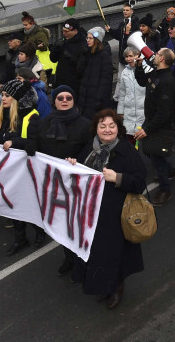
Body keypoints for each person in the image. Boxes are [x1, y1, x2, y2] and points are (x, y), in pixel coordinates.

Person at [65, 110, 147, 309]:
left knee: (114, 253)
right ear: (96, 129)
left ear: (118, 129)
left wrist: (117, 178)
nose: (107, 130)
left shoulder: (127, 151)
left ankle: (117, 287)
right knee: (97, 252)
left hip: (115, 214)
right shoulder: (89, 149)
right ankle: (102, 285)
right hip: (92, 212)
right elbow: (80, 175)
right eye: (103, 126)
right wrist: (73, 164)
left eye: (112, 126)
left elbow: (139, 181)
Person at [8, 85, 90, 271]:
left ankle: (81, 259)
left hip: (76, 183)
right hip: (53, 183)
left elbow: (90, 151)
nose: (64, 100)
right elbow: (33, 146)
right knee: (61, 224)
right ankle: (69, 257)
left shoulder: (85, 124)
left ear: (74, 100)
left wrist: (77, 161)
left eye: (68, 97)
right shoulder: (44, 123)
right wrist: (15, 142)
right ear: (54, 101)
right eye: (60, 97)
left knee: (76, 223)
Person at [0, 78, 43, 255]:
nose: (3, 99)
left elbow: (32, 145)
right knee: (13, 205)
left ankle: (39, 231)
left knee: (28, 204)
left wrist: (13, 142)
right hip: (9, 170)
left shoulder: (32, 117)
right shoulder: (4, 115)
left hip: (26, 170)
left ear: (17, 99)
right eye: (2, 95)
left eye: (7, 95)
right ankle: (20, 239)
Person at [134, 47, 175, 205]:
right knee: (148, 150)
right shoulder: (155, 72)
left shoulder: (167, 81)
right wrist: (139, 67)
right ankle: (170, 170)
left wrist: (147, 129)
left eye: (158, 54)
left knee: (155, 155)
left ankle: (165, 190)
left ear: (162, 60)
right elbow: (141, 81)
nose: (154, 54)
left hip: (160, 125)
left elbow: (164, 112)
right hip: (152, 120)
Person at [77, 26, 114, 120]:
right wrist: (83, 56)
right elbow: (79, 71)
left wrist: (99, 99)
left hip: (95, 100)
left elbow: (106, 80)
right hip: (86, 97)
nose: (87, 40)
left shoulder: (104, 56)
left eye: (90, 38)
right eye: (87, 38)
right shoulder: (87, 53)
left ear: (97, 40)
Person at [115, 46, 147, 136]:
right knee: (130, 139)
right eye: (126, 57)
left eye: (130, 56)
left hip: (143, 112)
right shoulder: (124, 72)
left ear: (138, 55)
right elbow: (122, 93)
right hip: (128, 113)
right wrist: (120, 111)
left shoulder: (146, 70)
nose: (128, 59)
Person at [49, 19, 86, 92]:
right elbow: (53, 59)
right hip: (60, 80)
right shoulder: (64, 41)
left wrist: (68, 55)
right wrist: (55, 49)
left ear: (75, 31)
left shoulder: (83, 44)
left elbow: (81, 67)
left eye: (66, 31)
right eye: (63, 31)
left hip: (74, 83)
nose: (63, 33)